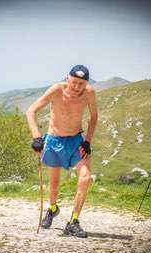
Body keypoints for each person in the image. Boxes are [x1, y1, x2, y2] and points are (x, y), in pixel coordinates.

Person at [26, 65, 98, 238]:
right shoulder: (57, 89)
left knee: (85, 177)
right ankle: (52, 208)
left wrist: (87, 141)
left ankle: (73, 222)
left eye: (81, 83)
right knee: (54, 183)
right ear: (68, 78)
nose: (77, 87)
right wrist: (37, 138)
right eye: (74, 82)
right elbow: (31, 111)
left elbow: (94, 117)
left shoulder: (89, 93)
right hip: (54, 140)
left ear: (86, 83)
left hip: (75, 141)